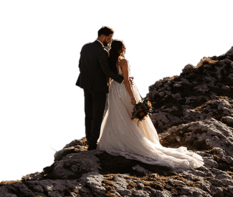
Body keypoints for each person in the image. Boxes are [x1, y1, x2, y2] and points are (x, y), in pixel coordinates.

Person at [93, 36, 206, 170]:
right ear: (120, 49)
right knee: (131, 116)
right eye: (124, 47)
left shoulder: (110, 61)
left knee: (117, 115)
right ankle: (136, 140)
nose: (125, 49)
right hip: (124, 90)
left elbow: (108, 78)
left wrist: (111, 88)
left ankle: (116, 139)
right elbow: (127, 81)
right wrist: (132, 97)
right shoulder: (123, 61)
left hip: (113, 91)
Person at [78, 23, 124, 151]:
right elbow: (106, 71)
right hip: (98, 87)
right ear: (103, 37)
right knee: (98, 115)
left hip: (85, 85)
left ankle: (88, 138)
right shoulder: (102, 51)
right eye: (109, 38)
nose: (110, 41)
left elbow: (81, 65)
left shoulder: (85, 47)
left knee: (88, 113)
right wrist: (122, 79)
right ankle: (93, 143)